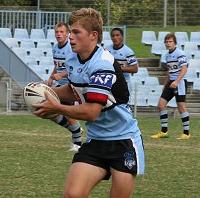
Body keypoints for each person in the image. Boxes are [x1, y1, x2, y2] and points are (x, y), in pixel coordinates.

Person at [34, 8, 145, 198]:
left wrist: (56, 107)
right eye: (70, 32)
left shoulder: (102, 63)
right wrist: (45, 93)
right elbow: (74, 90)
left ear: (93, 35)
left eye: (76, 32)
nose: (70, 37)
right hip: (95, 140)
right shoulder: (71, 59)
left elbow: (91, 111)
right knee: (73, 195)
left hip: (123, 141)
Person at [47, 22, 83, 152]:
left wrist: (61, 75)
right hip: (58, 84)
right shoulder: (55, 48)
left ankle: (78, 143)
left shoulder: (71, 48)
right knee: (49, 112)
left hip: (70, 85)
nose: (58, 34)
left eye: (62, 32)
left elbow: (76, 67)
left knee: (67, 111)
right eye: (57, 32)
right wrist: (51, 77)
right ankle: (76, 129)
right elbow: (57, 66)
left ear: (68, 33)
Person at [151, 33, 190, 139]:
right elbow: (170, 70)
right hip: (171, 82)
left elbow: (184, 69)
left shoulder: (180, 53)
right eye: (166, 42)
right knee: (161, 105)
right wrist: (165, 84)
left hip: (180, 83)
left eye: (170, 41)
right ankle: (164, 132)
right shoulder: (167, 55)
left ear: (175, 42)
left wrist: (177, 81)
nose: (168, 44)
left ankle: (186, 133)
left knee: (181, 107)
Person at [105, 27, 139, 99]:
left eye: (117, 35)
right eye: (113, 36)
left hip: (124, 82)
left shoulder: (128, 51)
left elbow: (135, 69)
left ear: (122, 37)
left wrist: (119, 68)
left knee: (124, 105)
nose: (115, 38)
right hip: (110, 82)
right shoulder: (107, 50)